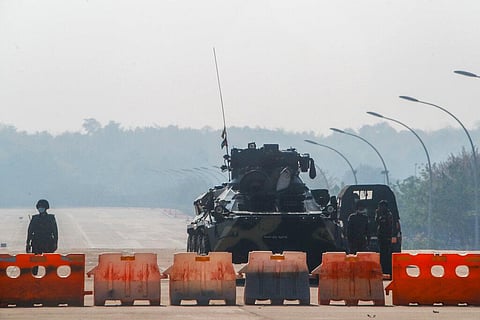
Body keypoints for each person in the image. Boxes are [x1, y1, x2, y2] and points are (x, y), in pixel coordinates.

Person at [375, 200, 393, 274]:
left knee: (386, 253)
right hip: (381, 235)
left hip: (386, 236)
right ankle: (382, 268)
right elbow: (376, 221)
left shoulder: (388, 214)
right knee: (381, 253)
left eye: (382, 206)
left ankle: (386, 269)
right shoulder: (379, 213)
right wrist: (378, 214)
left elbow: (389, 224)